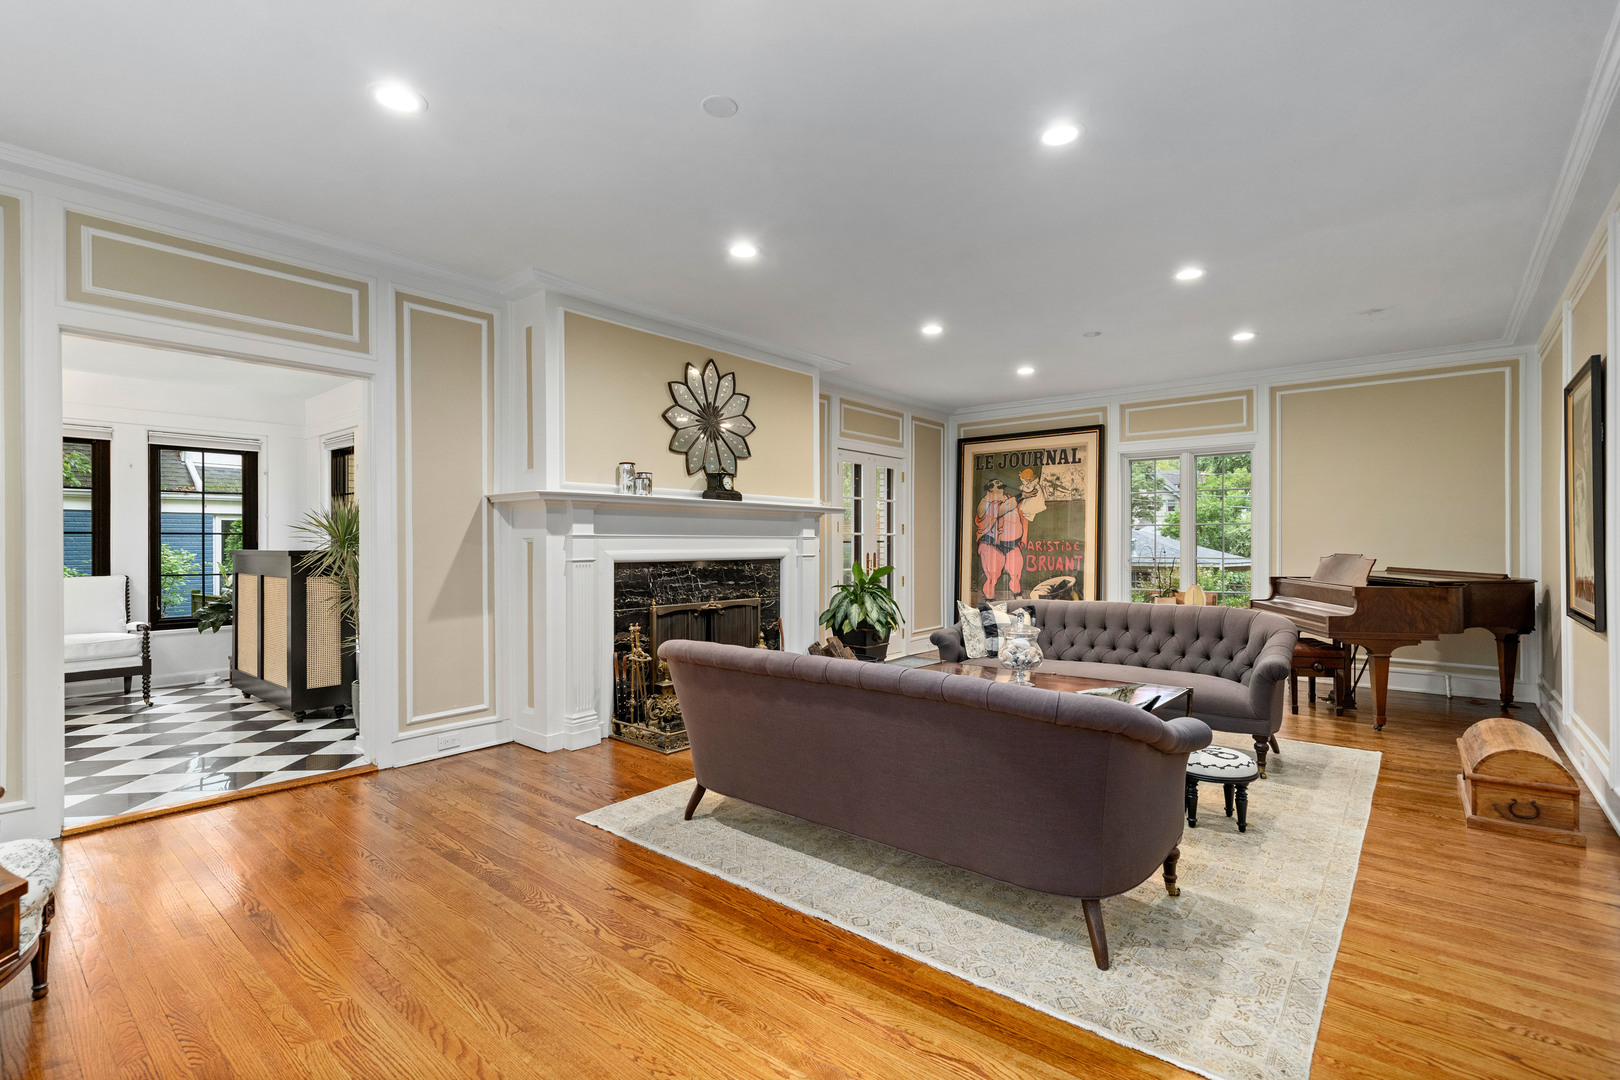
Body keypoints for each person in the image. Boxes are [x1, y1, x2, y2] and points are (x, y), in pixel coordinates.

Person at [975, 478, 1026, 599]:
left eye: (1000, 483)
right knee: (993, 575)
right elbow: (1001, 509)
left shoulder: (1008, 497)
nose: (1000, 484)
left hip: (1011, 542)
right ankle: (989, 600)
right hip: (991, 543)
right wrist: (1023, 495)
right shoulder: (984, 503)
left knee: (1016, 572)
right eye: (996, 483)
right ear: (990, 487)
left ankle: (1017, 597)